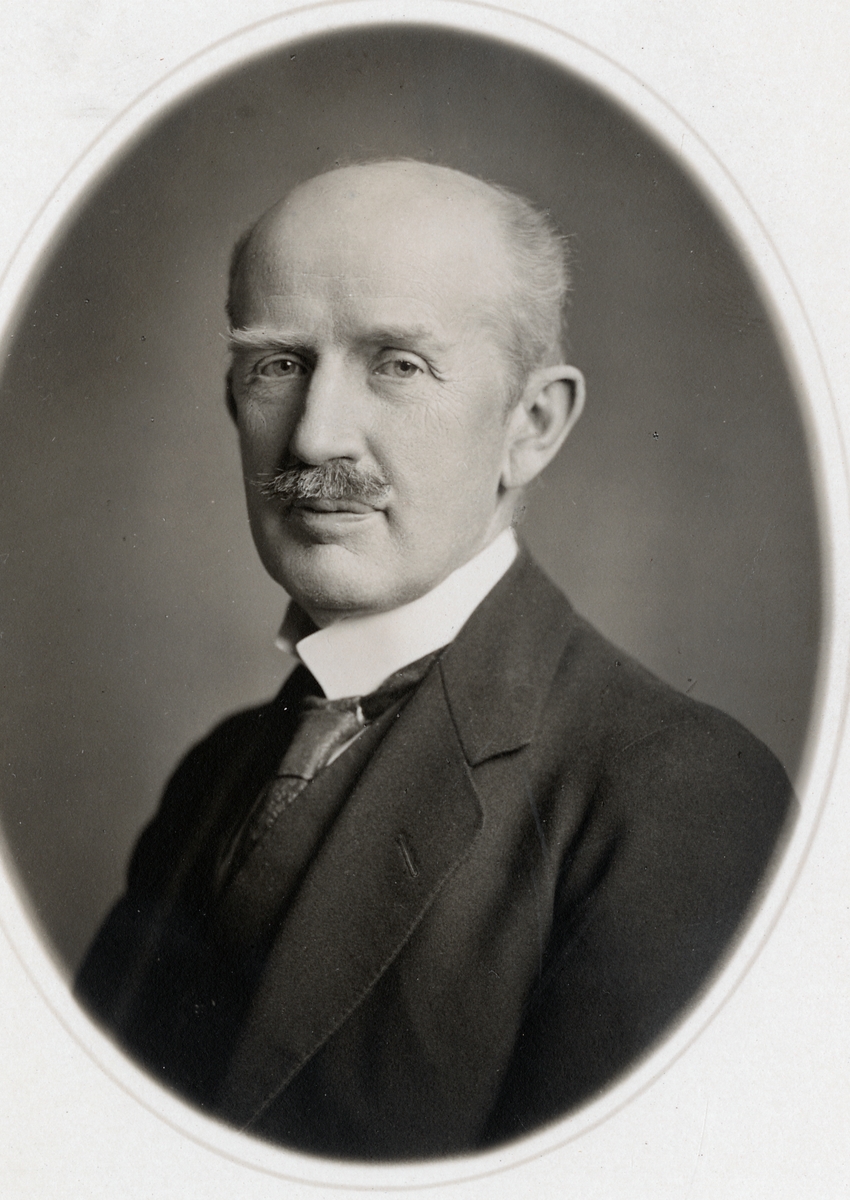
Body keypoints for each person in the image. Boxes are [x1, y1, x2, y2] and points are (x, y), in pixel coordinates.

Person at [76, 160, 795, 1161]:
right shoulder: (217, 773)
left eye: (398, 365)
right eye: (276, 364)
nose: (315, 436)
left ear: (530, 426)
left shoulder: (677, 800)